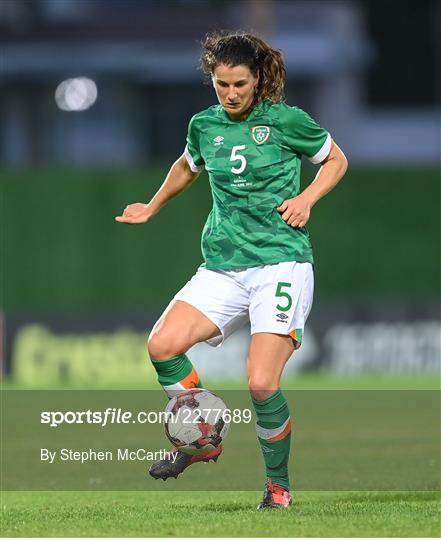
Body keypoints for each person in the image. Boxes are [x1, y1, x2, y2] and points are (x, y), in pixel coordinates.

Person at [116, 31, 348, 509]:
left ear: (258, 79)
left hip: (280, 265)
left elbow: (335, 160)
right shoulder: (204, 125)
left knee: (262, 384)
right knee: (161, 345)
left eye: (240, 84)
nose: (231, 93)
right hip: (224, 266)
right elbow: (187, 165)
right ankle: (204, 437)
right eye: (222, 84)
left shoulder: (285, 120)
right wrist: (153, 206)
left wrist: (306, 199)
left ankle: (278, 489)